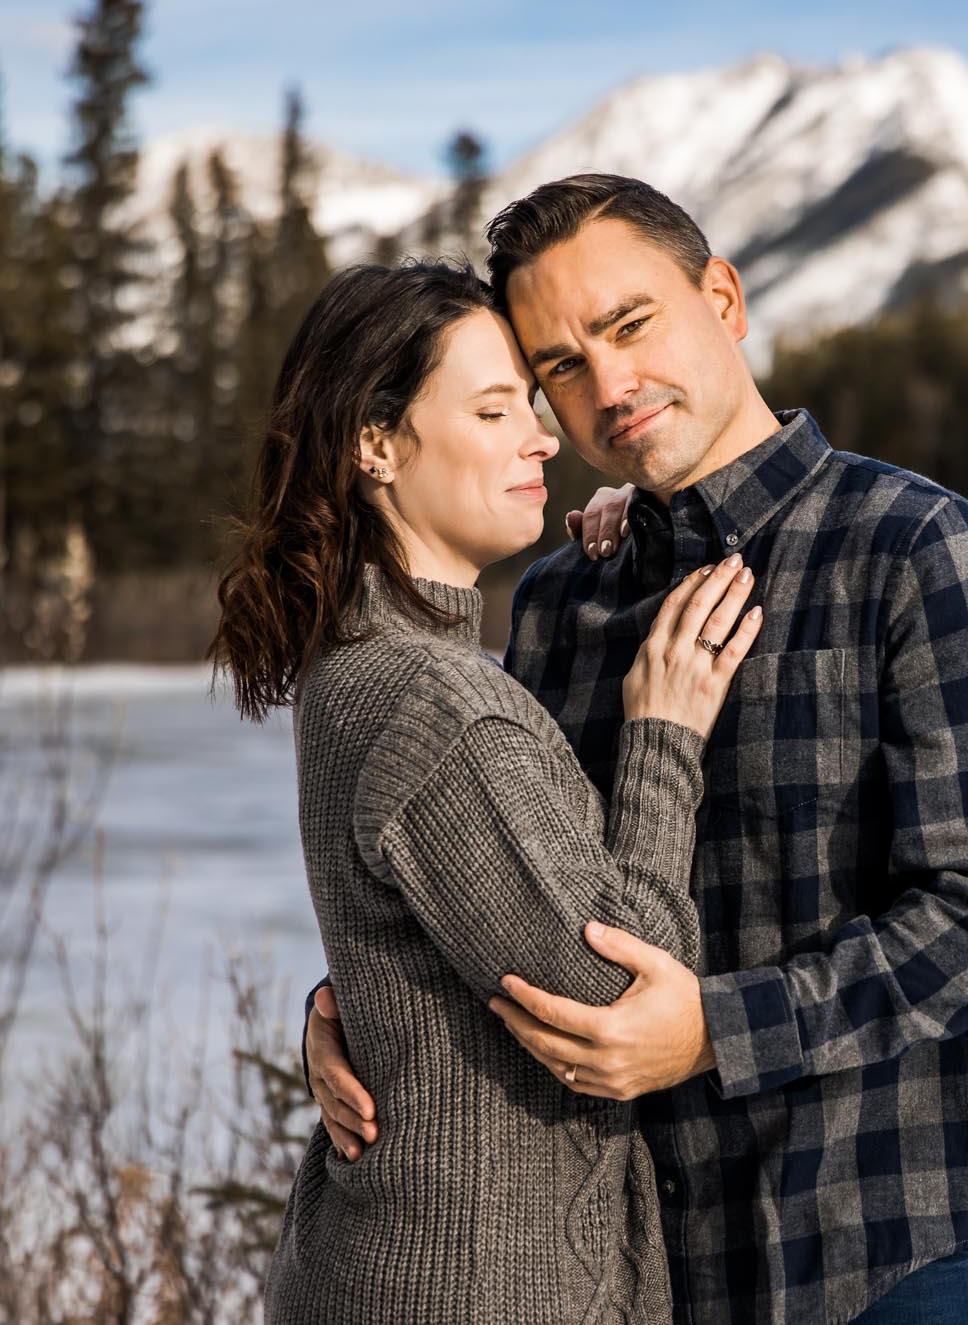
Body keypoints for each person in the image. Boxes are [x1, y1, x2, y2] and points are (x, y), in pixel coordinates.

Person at [297, 174, 968, 1325]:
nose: (607, 386)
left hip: (881, 1246)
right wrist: (356, 999)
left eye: (628, 325)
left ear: (722, 296)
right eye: (559, 363)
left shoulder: (911, 546)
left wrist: (716, 1029)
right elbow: (520, 886)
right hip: (646, 1272)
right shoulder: (564, 598)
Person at [207, 260, 764, 1324]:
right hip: (469, 1287)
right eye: (492, 407)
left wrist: (339, 1008)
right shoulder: (438, 701)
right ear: (375, 444)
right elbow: (614, 992)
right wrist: (663, 738)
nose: (544, 437)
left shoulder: (365, 663)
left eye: (532, 404)